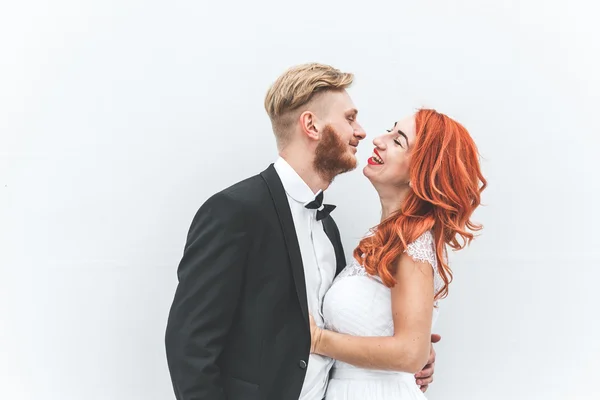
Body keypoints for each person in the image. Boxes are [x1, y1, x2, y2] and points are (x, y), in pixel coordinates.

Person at [164, 63, 438, 400]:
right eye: (350, 118)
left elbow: (335, 326)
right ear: (311, 125)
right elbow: (189, 346)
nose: (363, 132)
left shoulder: (328, 226)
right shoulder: (235, 211)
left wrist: (409, 353)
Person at [308, 109, 487, 399]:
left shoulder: (412, 245)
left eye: (398, 140)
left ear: (421, 173)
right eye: (389, 131)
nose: (378, 139)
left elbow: (409, 354)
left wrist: (317, 339)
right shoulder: (388, 238)